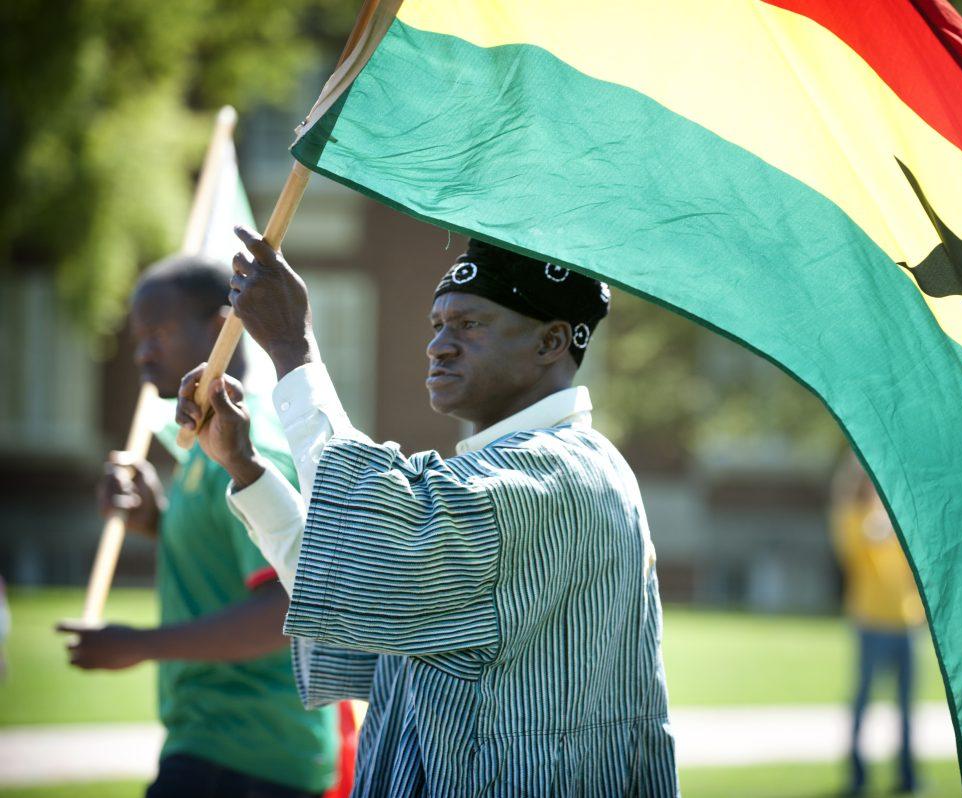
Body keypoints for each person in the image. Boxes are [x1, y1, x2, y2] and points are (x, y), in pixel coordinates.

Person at [177, 228, 678, 797]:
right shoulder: (510, 471)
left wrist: (293, 346)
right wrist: (245, 467)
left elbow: (377, 553)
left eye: (470, 325)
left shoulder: (553, 474)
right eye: (438, 325)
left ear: (551, 342)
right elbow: (367, 589)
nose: (439, 345)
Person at [57, 255, 338, 798]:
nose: (142, 353)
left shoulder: (252, 448)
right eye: (138, 336)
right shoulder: (203, 447)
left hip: (250, 756)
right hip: (214, 747)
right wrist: (156, 524)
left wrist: (140, 644)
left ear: (219, 329)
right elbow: (233, 562)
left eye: (158, 333)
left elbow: (286, 609)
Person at [830, 455, 925, 795]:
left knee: (906, 707)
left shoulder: (900, 521)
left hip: (906, 624)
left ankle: (908, 777)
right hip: (871, 624)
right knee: (862, 703)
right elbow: (852, 536)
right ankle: (857, 777)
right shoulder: (854, 519)